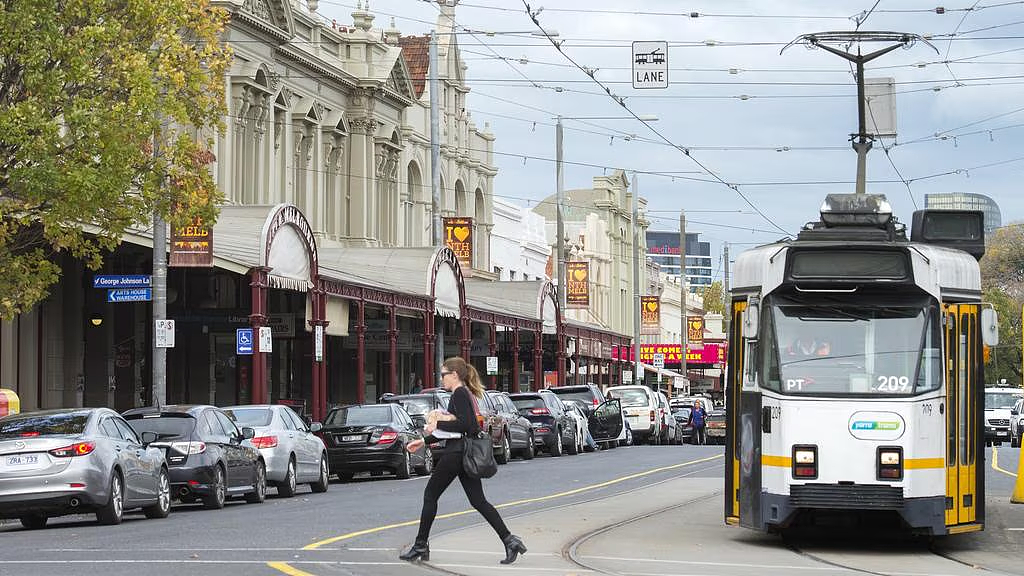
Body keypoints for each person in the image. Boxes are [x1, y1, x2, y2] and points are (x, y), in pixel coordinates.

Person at [399, 357, 526, 565]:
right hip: (461, 451)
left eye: (443, 374)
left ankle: (421, 545)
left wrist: (438, 421)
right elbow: (454, 429)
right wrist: (423, 441)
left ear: (454, 375)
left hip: (456, 454)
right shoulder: (462, 394)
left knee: (430, 495)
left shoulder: (459, 393)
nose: (441, 378)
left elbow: (467, 426)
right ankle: (510, 541)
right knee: (478, 501)